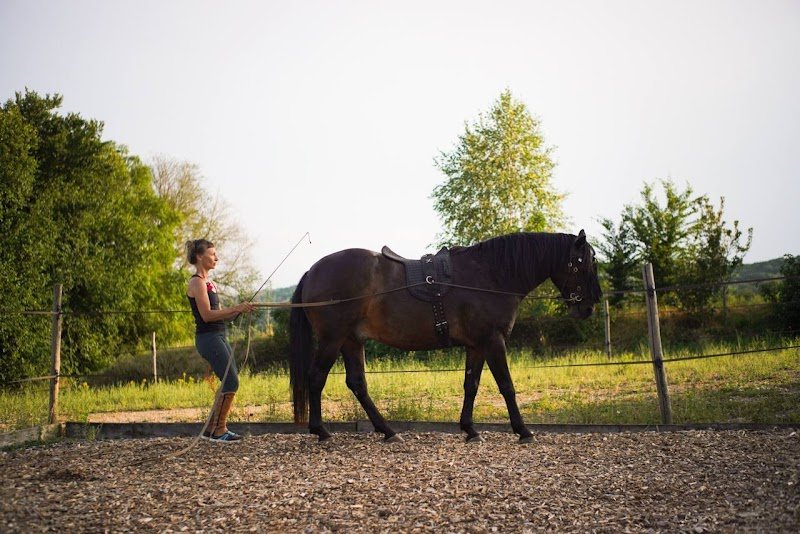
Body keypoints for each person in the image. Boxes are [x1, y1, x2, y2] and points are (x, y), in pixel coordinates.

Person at [186, 239, 254, 442]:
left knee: (229, 380)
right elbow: (207, 315)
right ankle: (219, 430)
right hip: (208, 339)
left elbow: (220, 314)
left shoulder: (210, 284)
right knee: (231, 380)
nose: (217, 257)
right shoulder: (196, 282)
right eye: (213, 254)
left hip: (218, 336)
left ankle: (212, 430)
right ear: (200, 257)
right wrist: (235, 308)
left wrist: (241, 310)